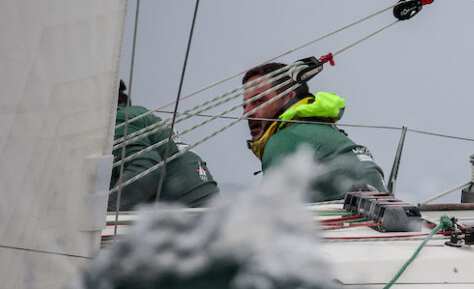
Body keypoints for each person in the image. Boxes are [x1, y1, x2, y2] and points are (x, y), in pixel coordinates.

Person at [243, 61, 386, 201]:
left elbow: (273, 211)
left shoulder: (286, 139)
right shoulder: (321, 131)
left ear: (288, 97)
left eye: (258, 101)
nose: (247, 112)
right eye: (245, 105)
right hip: (384, 214)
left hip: (347, 218)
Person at [109, 80, 219, 210]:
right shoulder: (140, 115)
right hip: (210, 209)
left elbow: (145, 170)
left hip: (184, 213)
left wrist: (105, 212)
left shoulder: (119, 118)